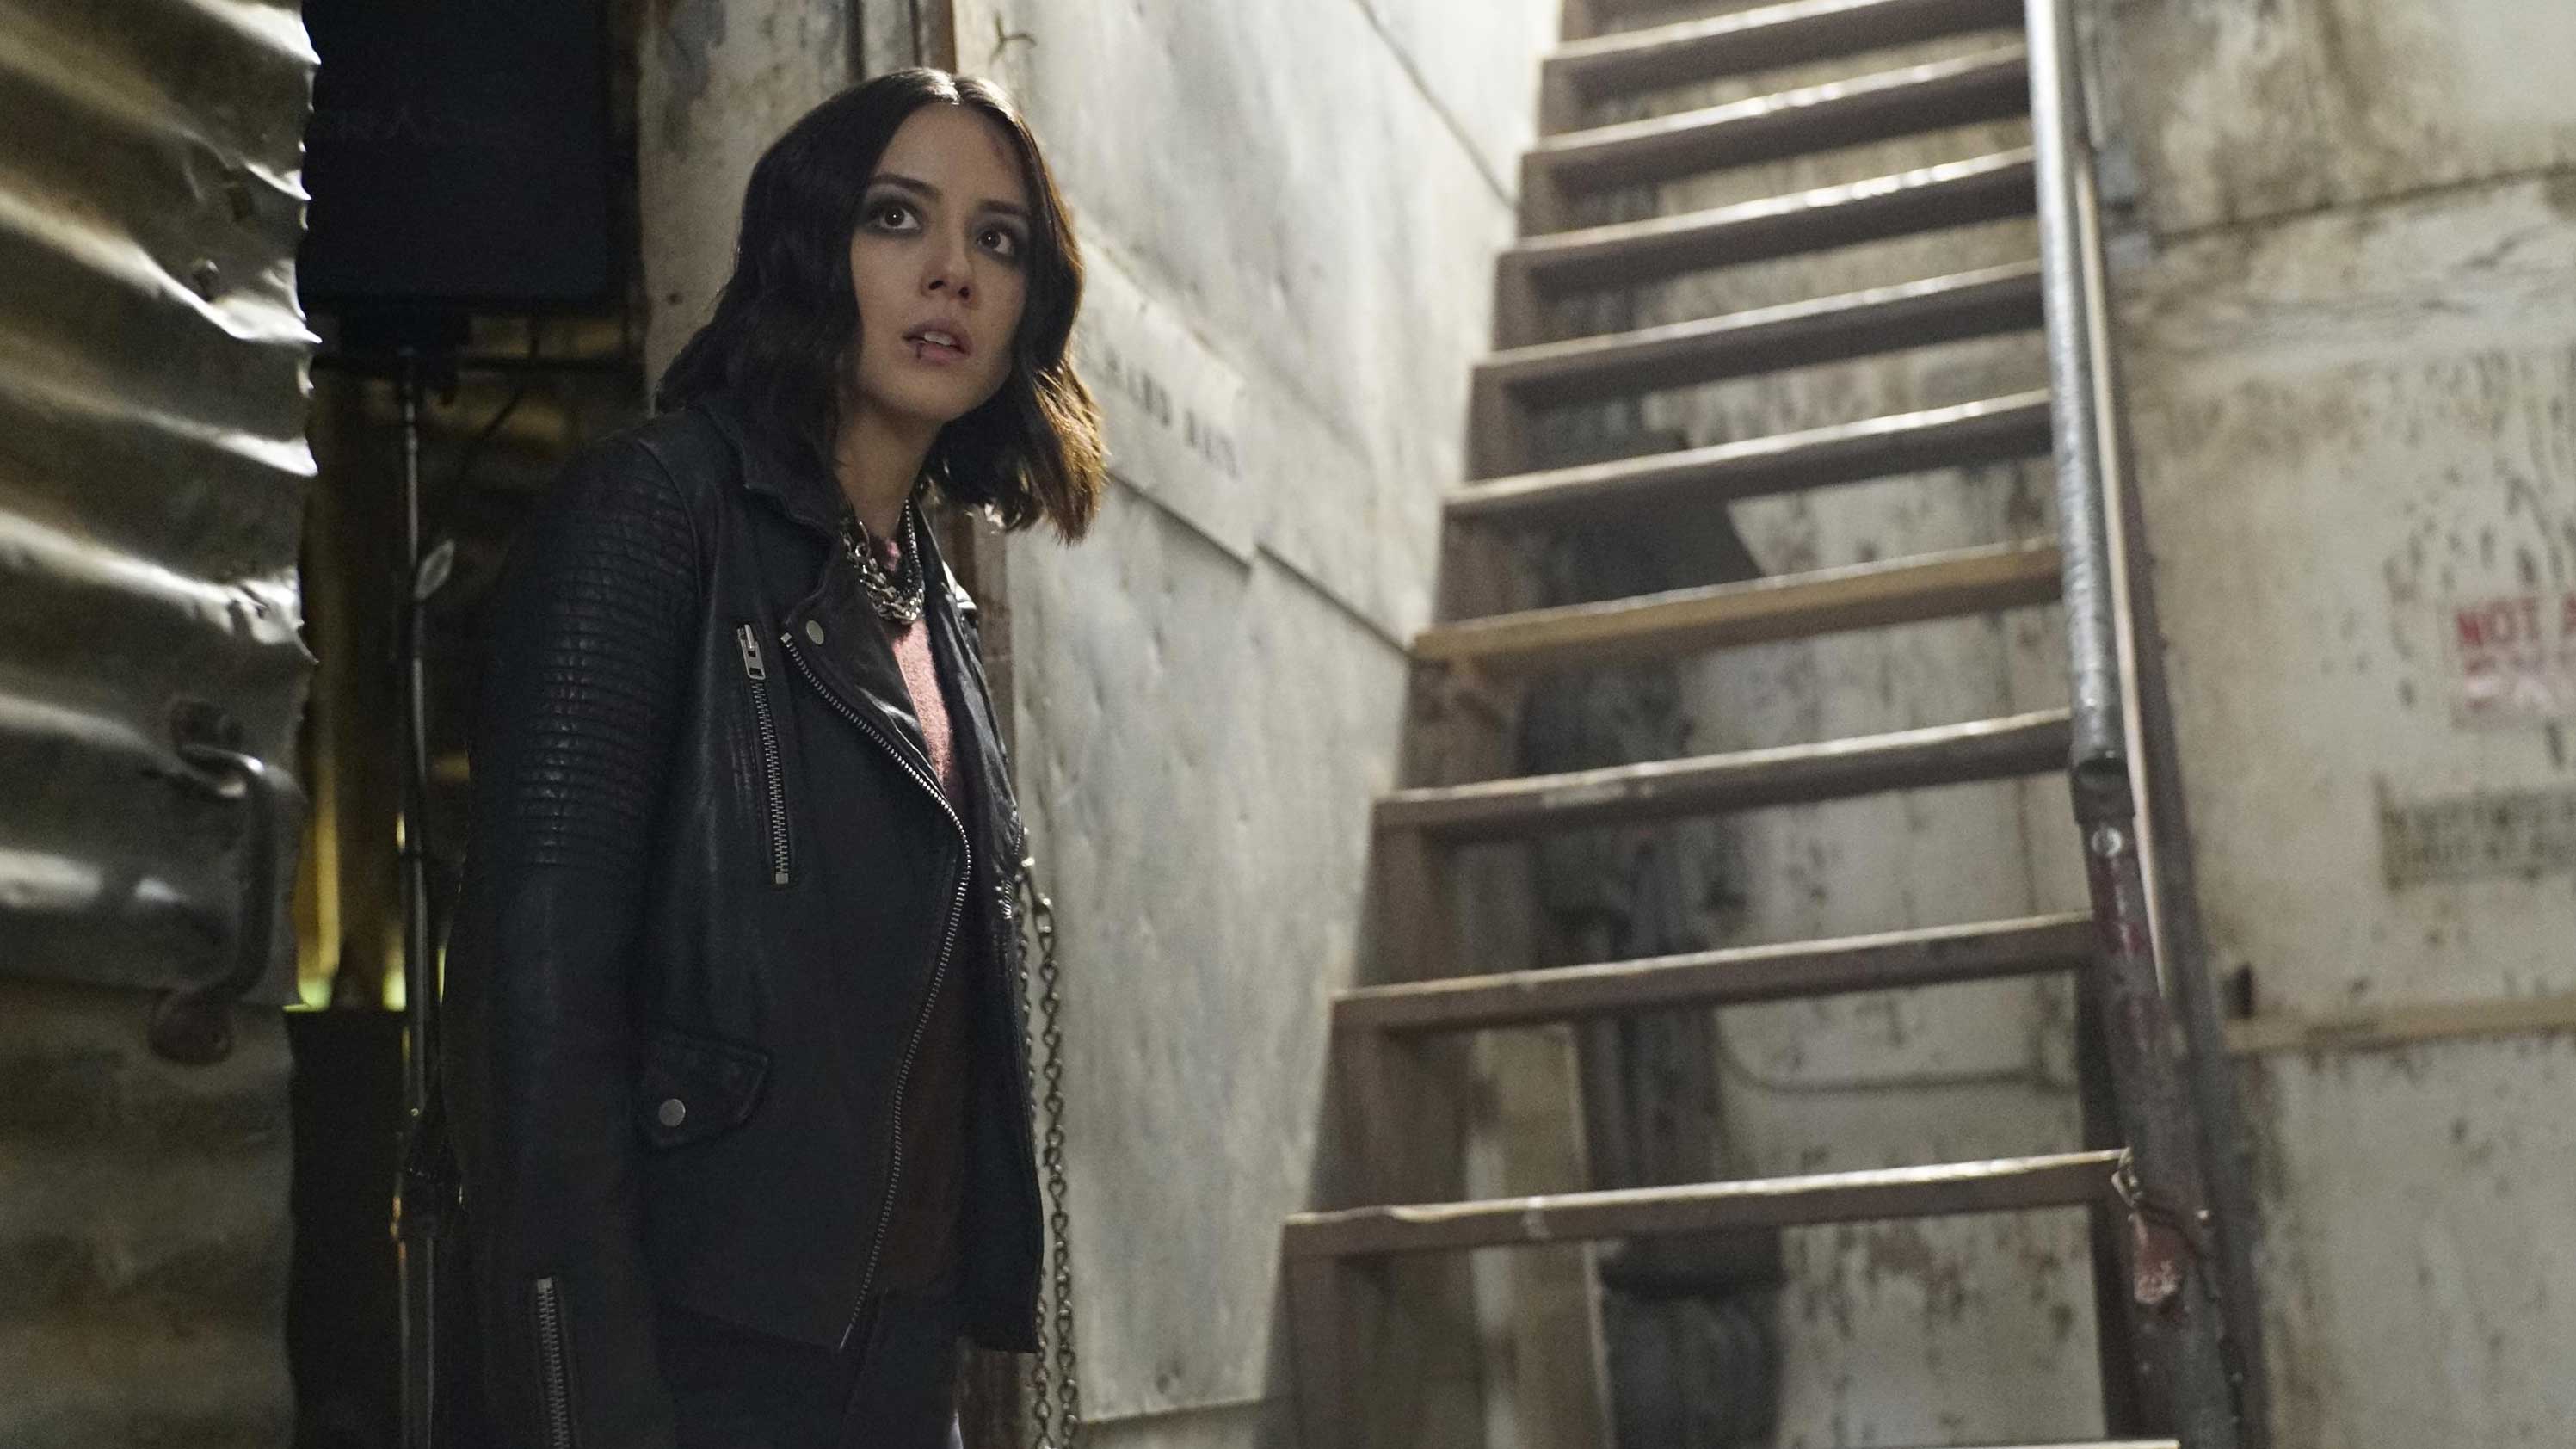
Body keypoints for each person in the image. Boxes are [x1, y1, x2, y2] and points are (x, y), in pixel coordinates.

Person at [439, 67, 1106, 1449]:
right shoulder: (655, 512)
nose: (951, 272)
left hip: (897, 1339)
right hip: (703, 1341)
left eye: (997, 241)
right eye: (894, 218)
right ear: (810, 247)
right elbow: (535, 1012)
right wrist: (584, 1394)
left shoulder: (928, 594)